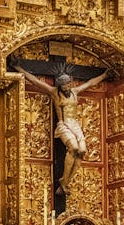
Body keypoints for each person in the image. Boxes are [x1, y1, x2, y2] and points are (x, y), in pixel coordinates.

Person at [13, 64, 110, 195]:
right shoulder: (54, 92)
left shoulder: (75, 92)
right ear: (60, 86)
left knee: (82, 151)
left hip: (75, 125)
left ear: (71, 82)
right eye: (64, 85)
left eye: (68, 84)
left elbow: (90, 83)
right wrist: (19, 69)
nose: (67, 87)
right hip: (64, 124)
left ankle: (65, 182)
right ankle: (64, 182)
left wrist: (104, 75)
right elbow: (36, 81)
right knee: (74, 148)